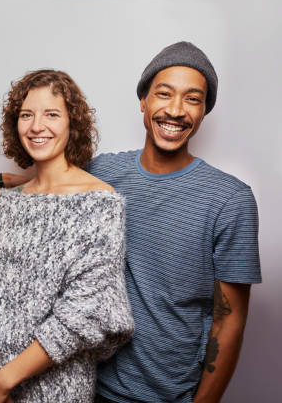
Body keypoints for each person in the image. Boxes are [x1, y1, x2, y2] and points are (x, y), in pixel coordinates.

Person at [91, 42, 262, 402]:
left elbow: (229, 322)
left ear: (203, 112)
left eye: (193, 99)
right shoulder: (101, 174)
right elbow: (47, 181)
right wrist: (1, 182)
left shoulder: (230, 200)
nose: (175, 110)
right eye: (164, 94)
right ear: (143, 101)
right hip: (90, 387)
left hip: (169, 395)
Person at [0, 69, 134, 403]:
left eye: (52, 115)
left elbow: (82, 312)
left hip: (59, 389)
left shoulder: (100, 203)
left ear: (73, 125)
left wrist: (5, 380)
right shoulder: (7, 203)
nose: (36, 126)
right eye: (26, 115)